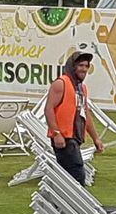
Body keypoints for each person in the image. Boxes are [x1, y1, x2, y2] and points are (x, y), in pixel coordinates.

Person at [43, 47, 103, 183]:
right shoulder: (61, 83)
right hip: (64, 138)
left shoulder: (82, 88)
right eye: (80, 65)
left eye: (87, 66)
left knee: (71, 175)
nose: (84, 69)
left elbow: (86, 114)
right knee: (77, 174)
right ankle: (72, 202)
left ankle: (61, 202)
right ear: (72, 66)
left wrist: (96, 139)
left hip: (75, 137)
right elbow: (48, 109)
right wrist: (57, 133)